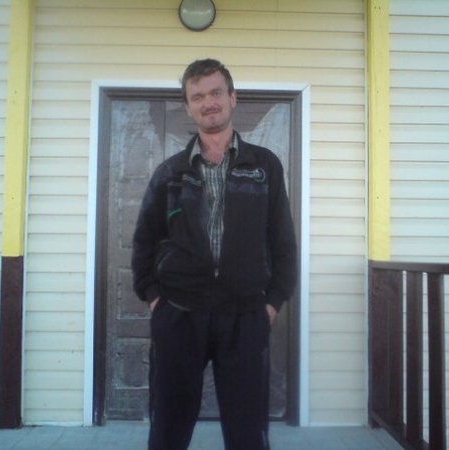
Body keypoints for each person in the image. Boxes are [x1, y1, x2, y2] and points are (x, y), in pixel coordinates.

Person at [131, 58, 297, 450]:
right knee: (168, 427)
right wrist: (154, 298)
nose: (209, 102)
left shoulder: (265, 167)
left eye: (216, 92)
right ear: (189, 107)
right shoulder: (170, 172)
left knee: (247, 432)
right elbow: (144, 241)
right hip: (179, 315)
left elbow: (283, 241)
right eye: (198, 96)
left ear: (233, 97)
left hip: (245, 317)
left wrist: (272, 302)